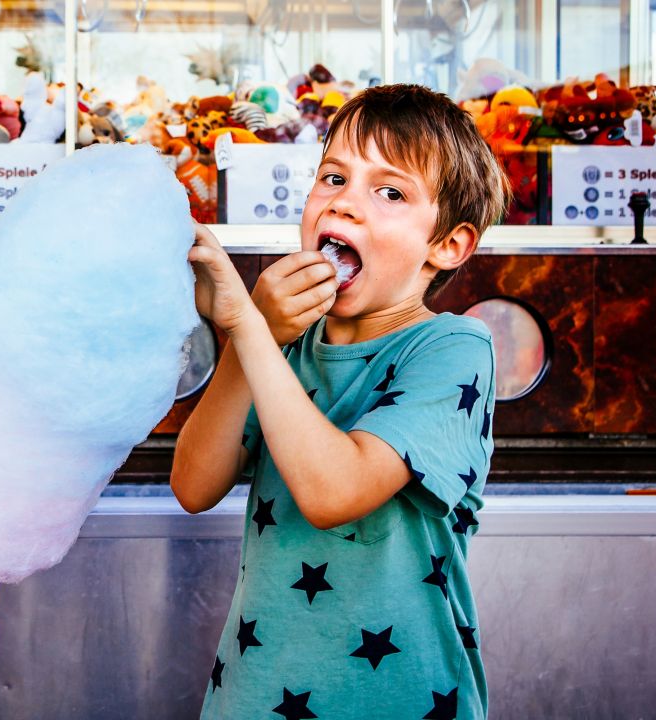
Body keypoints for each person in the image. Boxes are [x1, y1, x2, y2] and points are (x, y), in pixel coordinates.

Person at [177, 84, 507, 719]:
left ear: (449, 244)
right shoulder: (286, 345)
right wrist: (261, 336)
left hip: (400, 701)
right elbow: (193, 485)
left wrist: (247, 325)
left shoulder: (453, 348)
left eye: (390, 192)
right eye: (333, 176)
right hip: (254, 696)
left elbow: (335, 492)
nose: (347, 204)